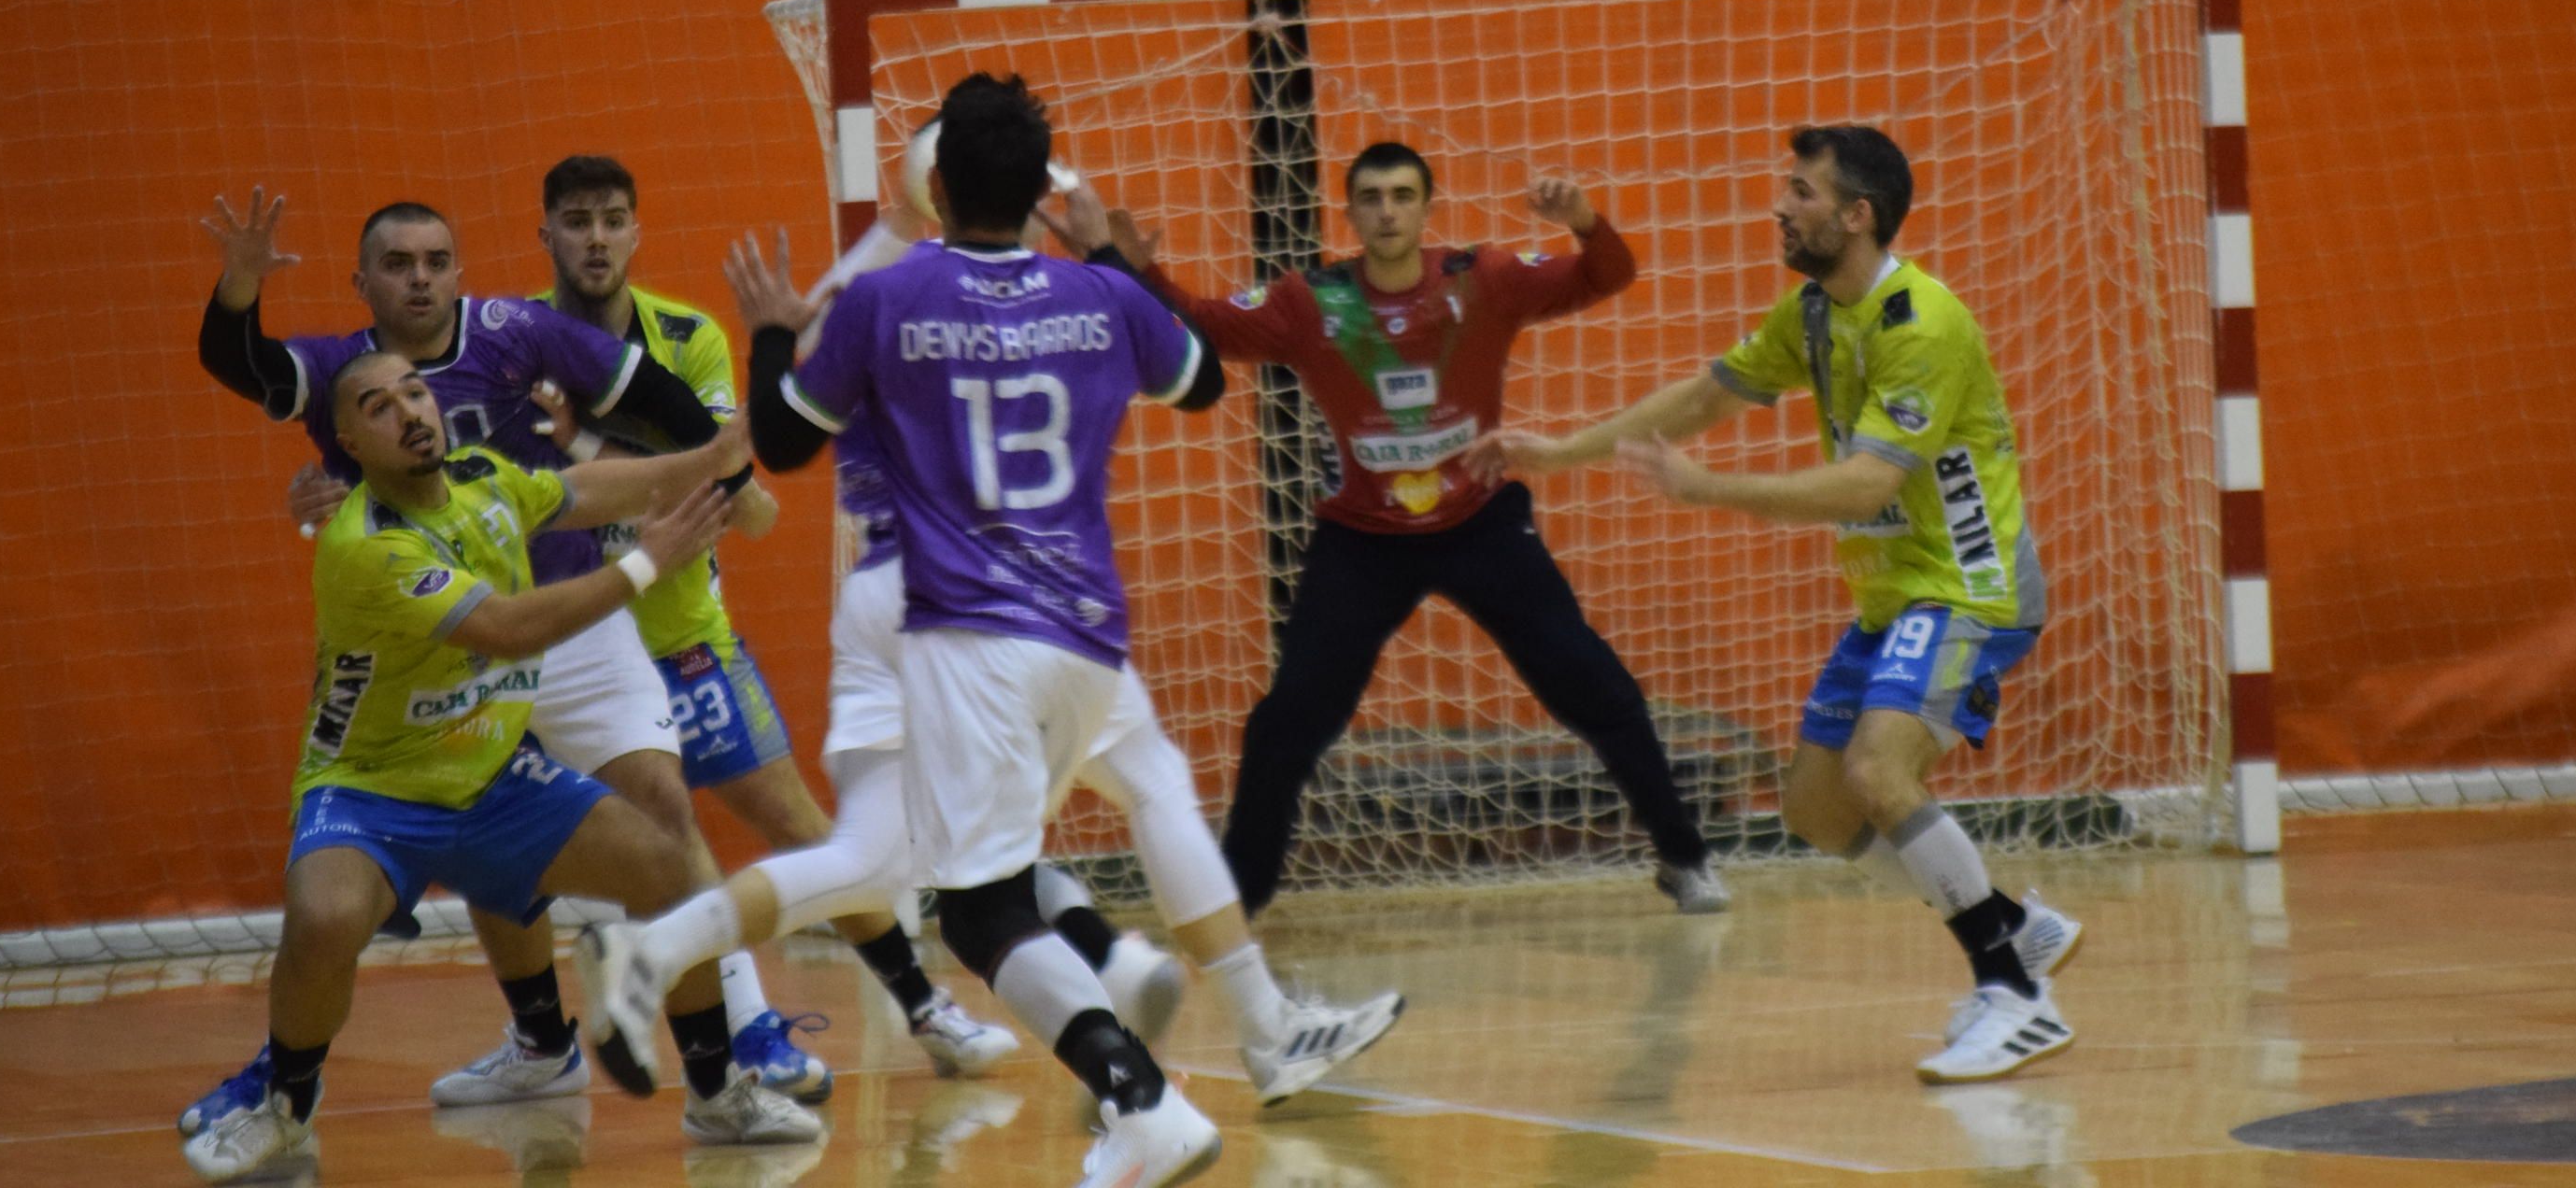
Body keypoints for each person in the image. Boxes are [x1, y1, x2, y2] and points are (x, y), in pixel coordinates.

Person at [584, 75, 1390, 1188]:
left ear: (940, 183)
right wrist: (1114, 260)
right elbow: (1205, 387)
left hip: (961, 626)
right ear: (1038, 190)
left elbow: (776, 434)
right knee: (1003, 843)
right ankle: (1174, 1026)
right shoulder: (1097, 297)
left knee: (970, 901)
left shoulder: (884, 299)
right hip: (1088, 630)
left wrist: (772, 335)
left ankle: (1142, 1096)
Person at [1481, 125, 2084, 1083]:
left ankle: (2013, 991)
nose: (1779, 204)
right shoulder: (1811, 311)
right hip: (1896, 593)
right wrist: (1561, 451)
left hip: (1970, 584)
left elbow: (1858, 486)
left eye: (1800, 191)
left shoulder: (1919, 323)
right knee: (1815, 808)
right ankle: (2005, 918)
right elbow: (1702, 396)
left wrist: (1706, 488)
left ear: (1856, 214)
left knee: (1881, 770)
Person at [191, 191, 813, 1113]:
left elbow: (587, 480)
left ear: (461, 271)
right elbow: (506, 629)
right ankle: (301, 1087)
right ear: (344, 431)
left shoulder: (488, 444)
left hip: (565, 629)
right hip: (427, 701)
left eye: (436, 260)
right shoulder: (367, 525)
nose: (420, 278)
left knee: (661, 835)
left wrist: (719, 455)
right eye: (397, 264)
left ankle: (725, 1064)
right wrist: (240, 283)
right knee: (335, 914)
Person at [1106, 144, 1722, 914]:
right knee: (1286, 722)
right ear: (1352, 212)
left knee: (1593, 682)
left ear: (1427, 208)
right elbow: (1203, 328)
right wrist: (1133, 270)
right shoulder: (1310, 301)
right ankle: (1239, 903)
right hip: (1363, 541)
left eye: (1402, 195)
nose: (1387, 210)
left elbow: (1610, 275)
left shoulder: (1483, 279)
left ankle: (1685, 857)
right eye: (1371, 197)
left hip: (1482, 521)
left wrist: (1584, 222)